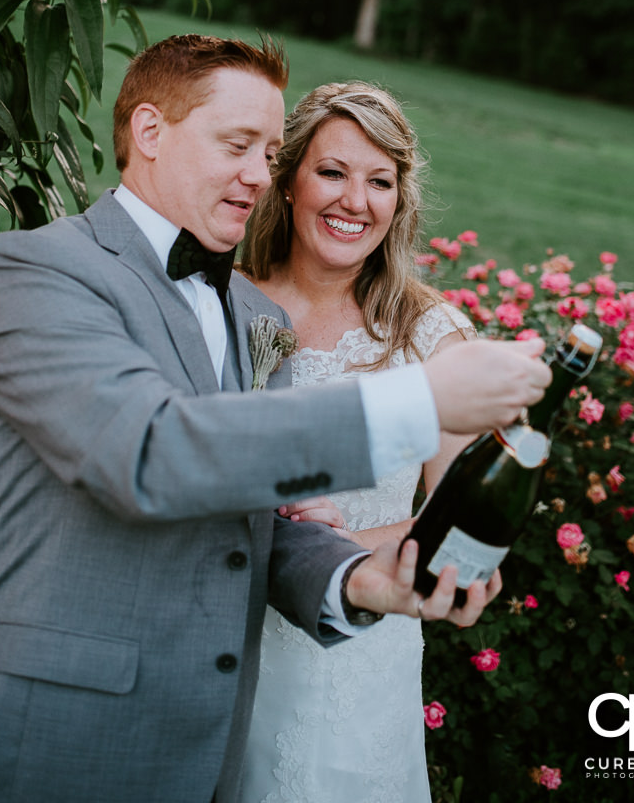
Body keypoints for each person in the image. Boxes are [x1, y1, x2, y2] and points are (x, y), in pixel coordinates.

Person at [0, 35, 551, 803]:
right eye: (238, 145)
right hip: (57, 737)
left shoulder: (248, 311)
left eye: (269, 151)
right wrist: (423, 399)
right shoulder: (37, 268)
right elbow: (148, 450)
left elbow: (253, 522)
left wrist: (363, 581)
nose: (258, 175)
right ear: (149, 132)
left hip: (208, 743)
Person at [237, 81, 476, 802]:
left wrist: (338, 556)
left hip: (360, 661)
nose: (354, 200)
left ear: (399, 200)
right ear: (286, 181)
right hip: (226, 641)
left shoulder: (431, 336)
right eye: (332, 172)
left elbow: (463, 523)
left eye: (379, 180)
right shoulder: (226, 304)